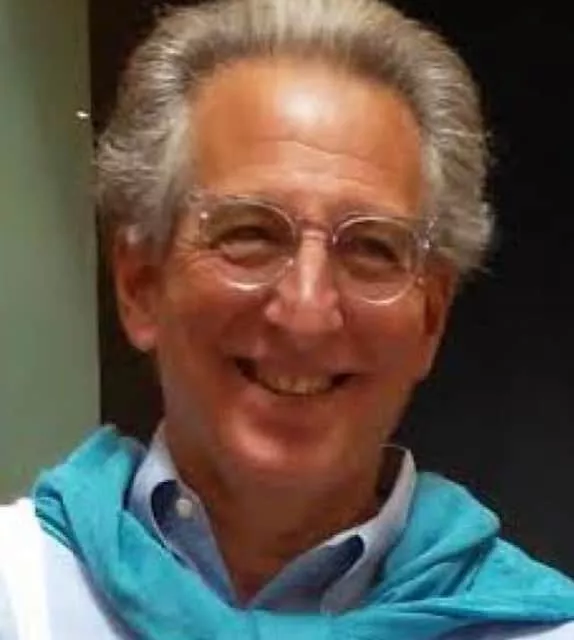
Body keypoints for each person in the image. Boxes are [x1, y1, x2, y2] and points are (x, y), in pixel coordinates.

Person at [1, 0, 574, 638]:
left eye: (371, 248)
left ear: (431, 320)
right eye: (249, 233)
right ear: (140, 286)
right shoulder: (20, 595)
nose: (307, 312)